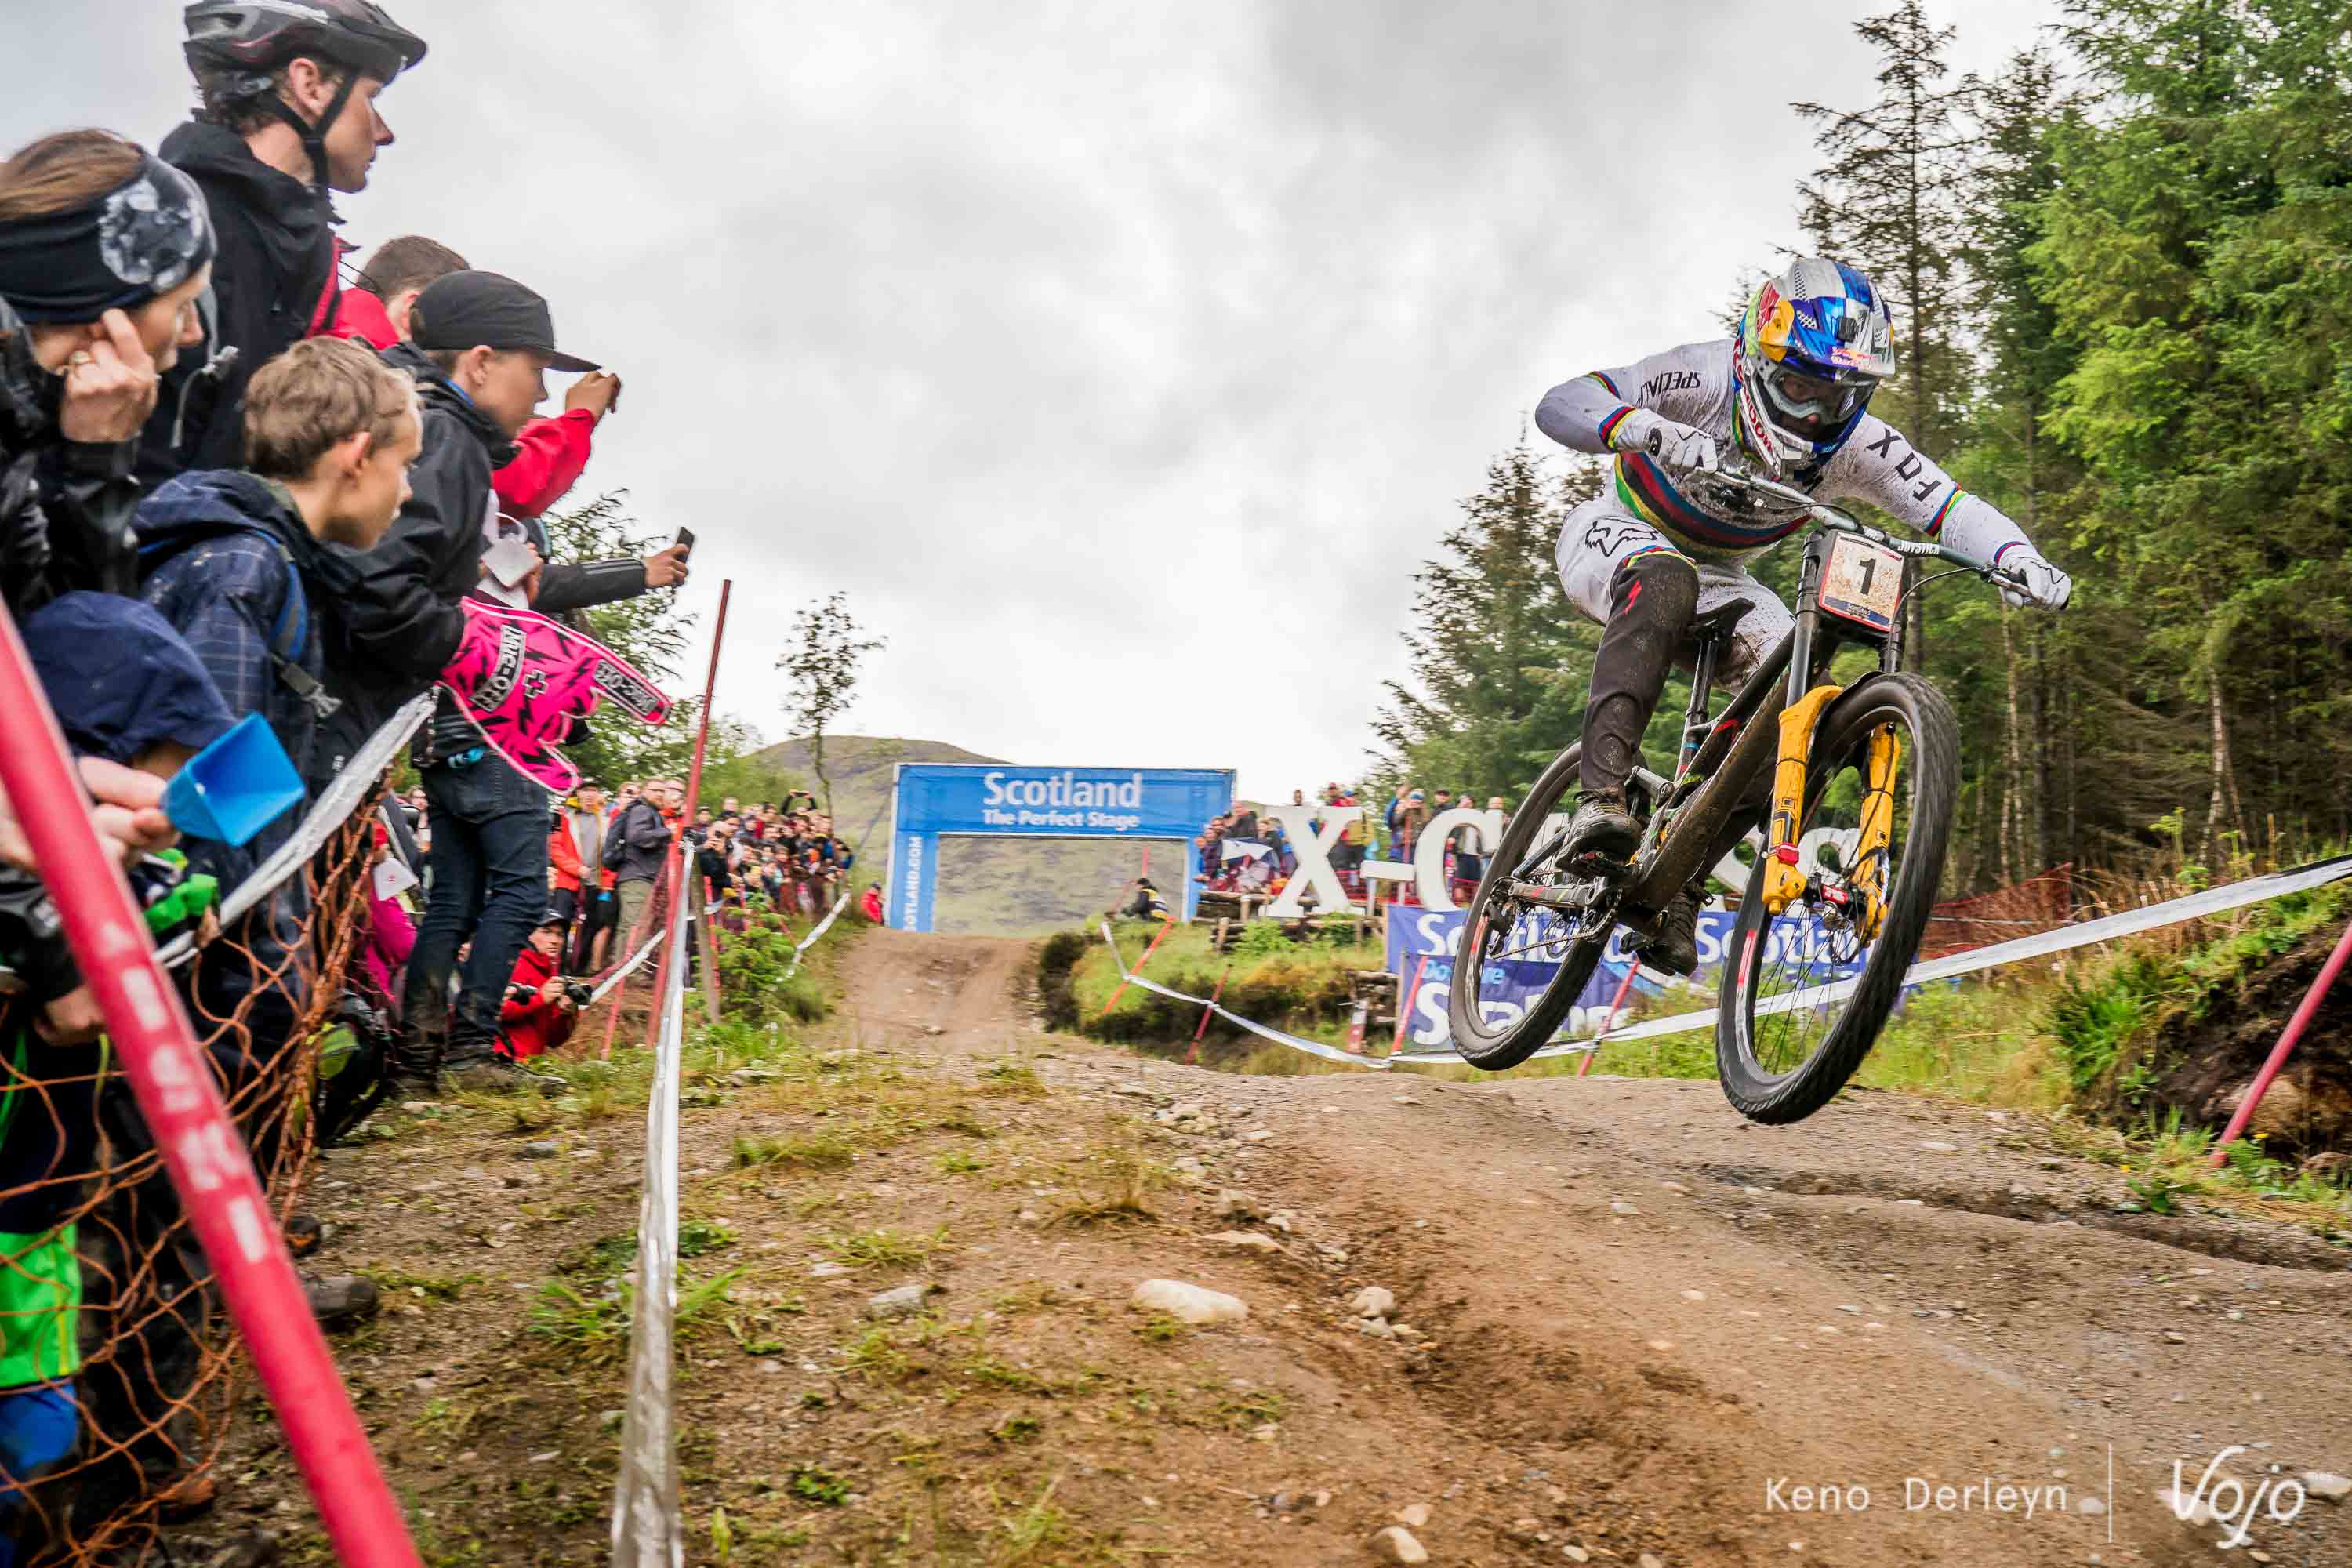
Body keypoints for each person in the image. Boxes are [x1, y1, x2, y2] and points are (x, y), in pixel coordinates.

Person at [1535, 256, 2072, 974]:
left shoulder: (1859, 446)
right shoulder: (1703, 378)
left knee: (1797, 705)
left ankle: (1682, 879)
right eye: (1799, 388)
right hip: (1619, 532)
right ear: (1757, 363)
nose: (1817, 414)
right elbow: (1561, 403)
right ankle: (1600, 799)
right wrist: (1639, 427)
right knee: (1665, 581)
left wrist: (2018, 558)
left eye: (1839, 397)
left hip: (1724, 577)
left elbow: (1948, 506)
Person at [354, 270, 597, 1089]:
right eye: (536, 372)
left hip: (438, 726)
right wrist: (485, 658)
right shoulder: (448, 440)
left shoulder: (435, 432)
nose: (541, 397)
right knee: (521, 893)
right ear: (484, 361)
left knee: (454, 898)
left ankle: (418, 1058)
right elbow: (392, 582)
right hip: (489, 726)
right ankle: (465, 1050)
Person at [141, 0, 428, 482]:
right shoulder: (172, 219)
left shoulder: (302, 245)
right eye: (371, 97)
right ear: (309, 84)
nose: (384, 133)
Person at [137, 336, 421, 801]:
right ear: (358, 456)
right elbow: (210, 792)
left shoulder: (265, 560)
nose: (406, 490)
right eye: (405, 465)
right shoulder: (245, 569)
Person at [0, 130, 215, 619]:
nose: (194, 334)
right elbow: (91, 639)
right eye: (182, 307)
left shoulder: (21, 417)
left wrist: (96, 457)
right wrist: (98, 468)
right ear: (107, 316)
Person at [497, 911, 580, 1061]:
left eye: (560, 935)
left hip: (531, 1064)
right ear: (529, 934)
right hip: (503, 1059)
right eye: (547, 932)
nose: (555, 941)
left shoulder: (551, 974)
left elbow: (553, 1041)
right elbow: (496, 1011)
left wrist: (566, 1015)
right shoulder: (513, 963)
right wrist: (539, 998)